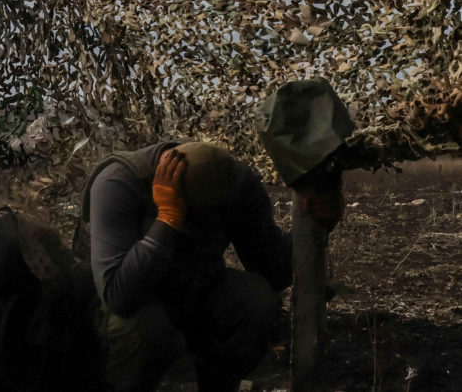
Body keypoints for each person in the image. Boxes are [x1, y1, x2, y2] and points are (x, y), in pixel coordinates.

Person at [81, 140, 343, 392]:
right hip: (117, 301)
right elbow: (118, 295)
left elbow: (271, 268)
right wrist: (169, 217)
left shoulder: (235, 182)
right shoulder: (118, 182)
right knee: (143, 329)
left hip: (192, 285)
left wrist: (316, 224)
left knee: (256, 302)